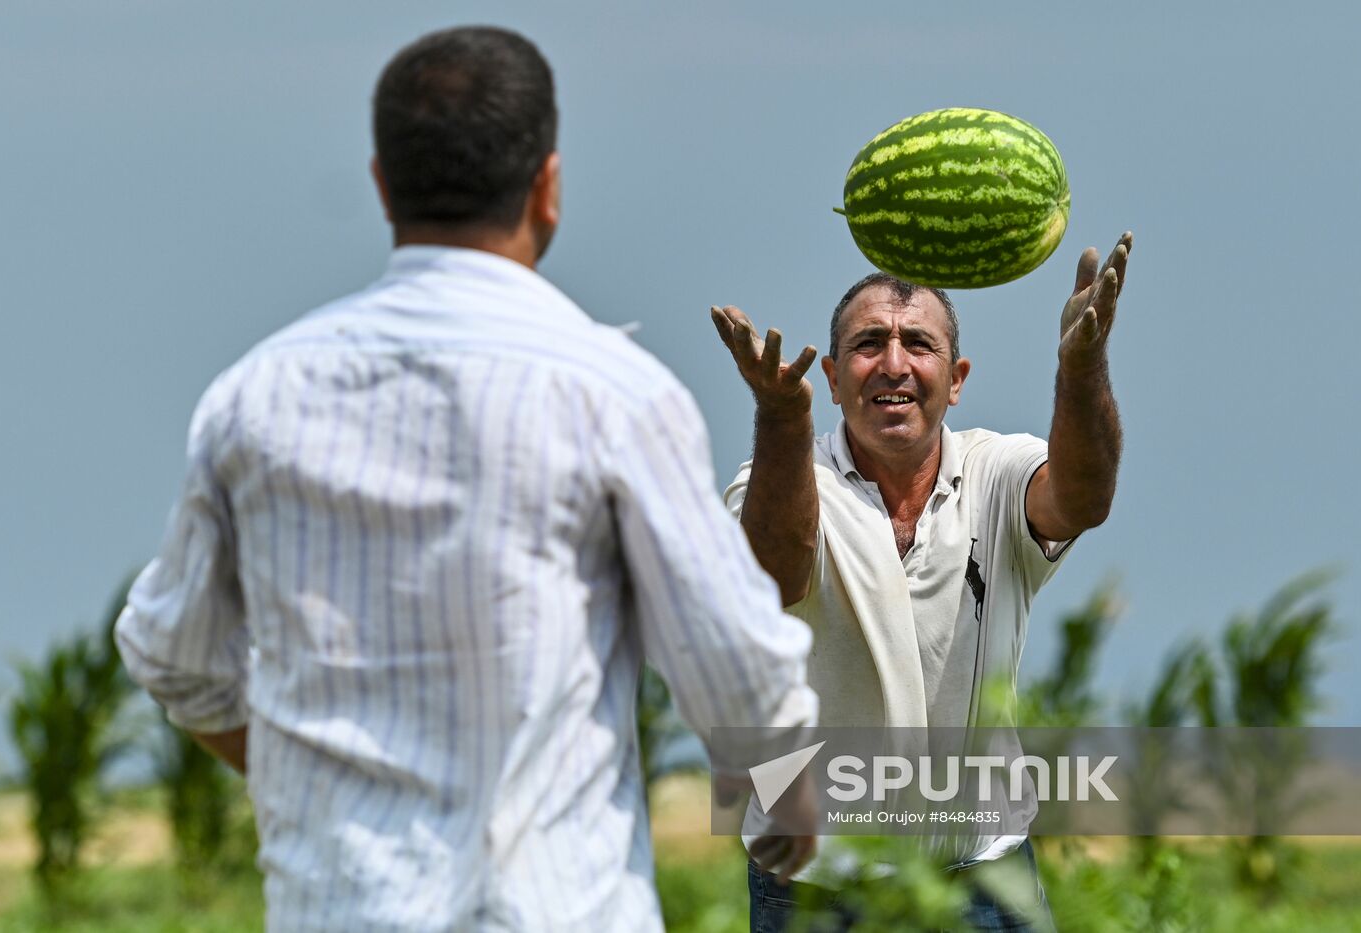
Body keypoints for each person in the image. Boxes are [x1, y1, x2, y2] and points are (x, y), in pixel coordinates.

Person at [116, 26, 819, 932]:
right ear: (548, 186)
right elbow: (735, 668)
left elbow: (173, 652)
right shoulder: (613, 392)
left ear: (380, 184)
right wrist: (796, 817)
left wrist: (317, 789)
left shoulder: (257, 394)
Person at [712, 234, 1132, 931]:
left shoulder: (997, 471)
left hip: (986, 877)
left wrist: (1082, 366)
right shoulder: (776, 482)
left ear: (957, 377)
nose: (895, 364)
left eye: (919, 344)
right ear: (837, 375)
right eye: (869, 342)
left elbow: (1082, 497)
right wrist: (781, 421)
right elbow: (773, 574)